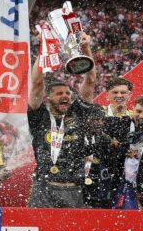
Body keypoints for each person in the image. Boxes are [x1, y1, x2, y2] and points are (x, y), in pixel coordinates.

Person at [27, 71, 94, 208]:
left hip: (74, 190)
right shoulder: (39, 117)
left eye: (68, 93)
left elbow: (90, 81)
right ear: (48, 98)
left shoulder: (78, 115)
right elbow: (37, 84)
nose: (65, 96)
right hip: (44, 189)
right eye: (59, 93)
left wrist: (87, 58)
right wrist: (42, 59)